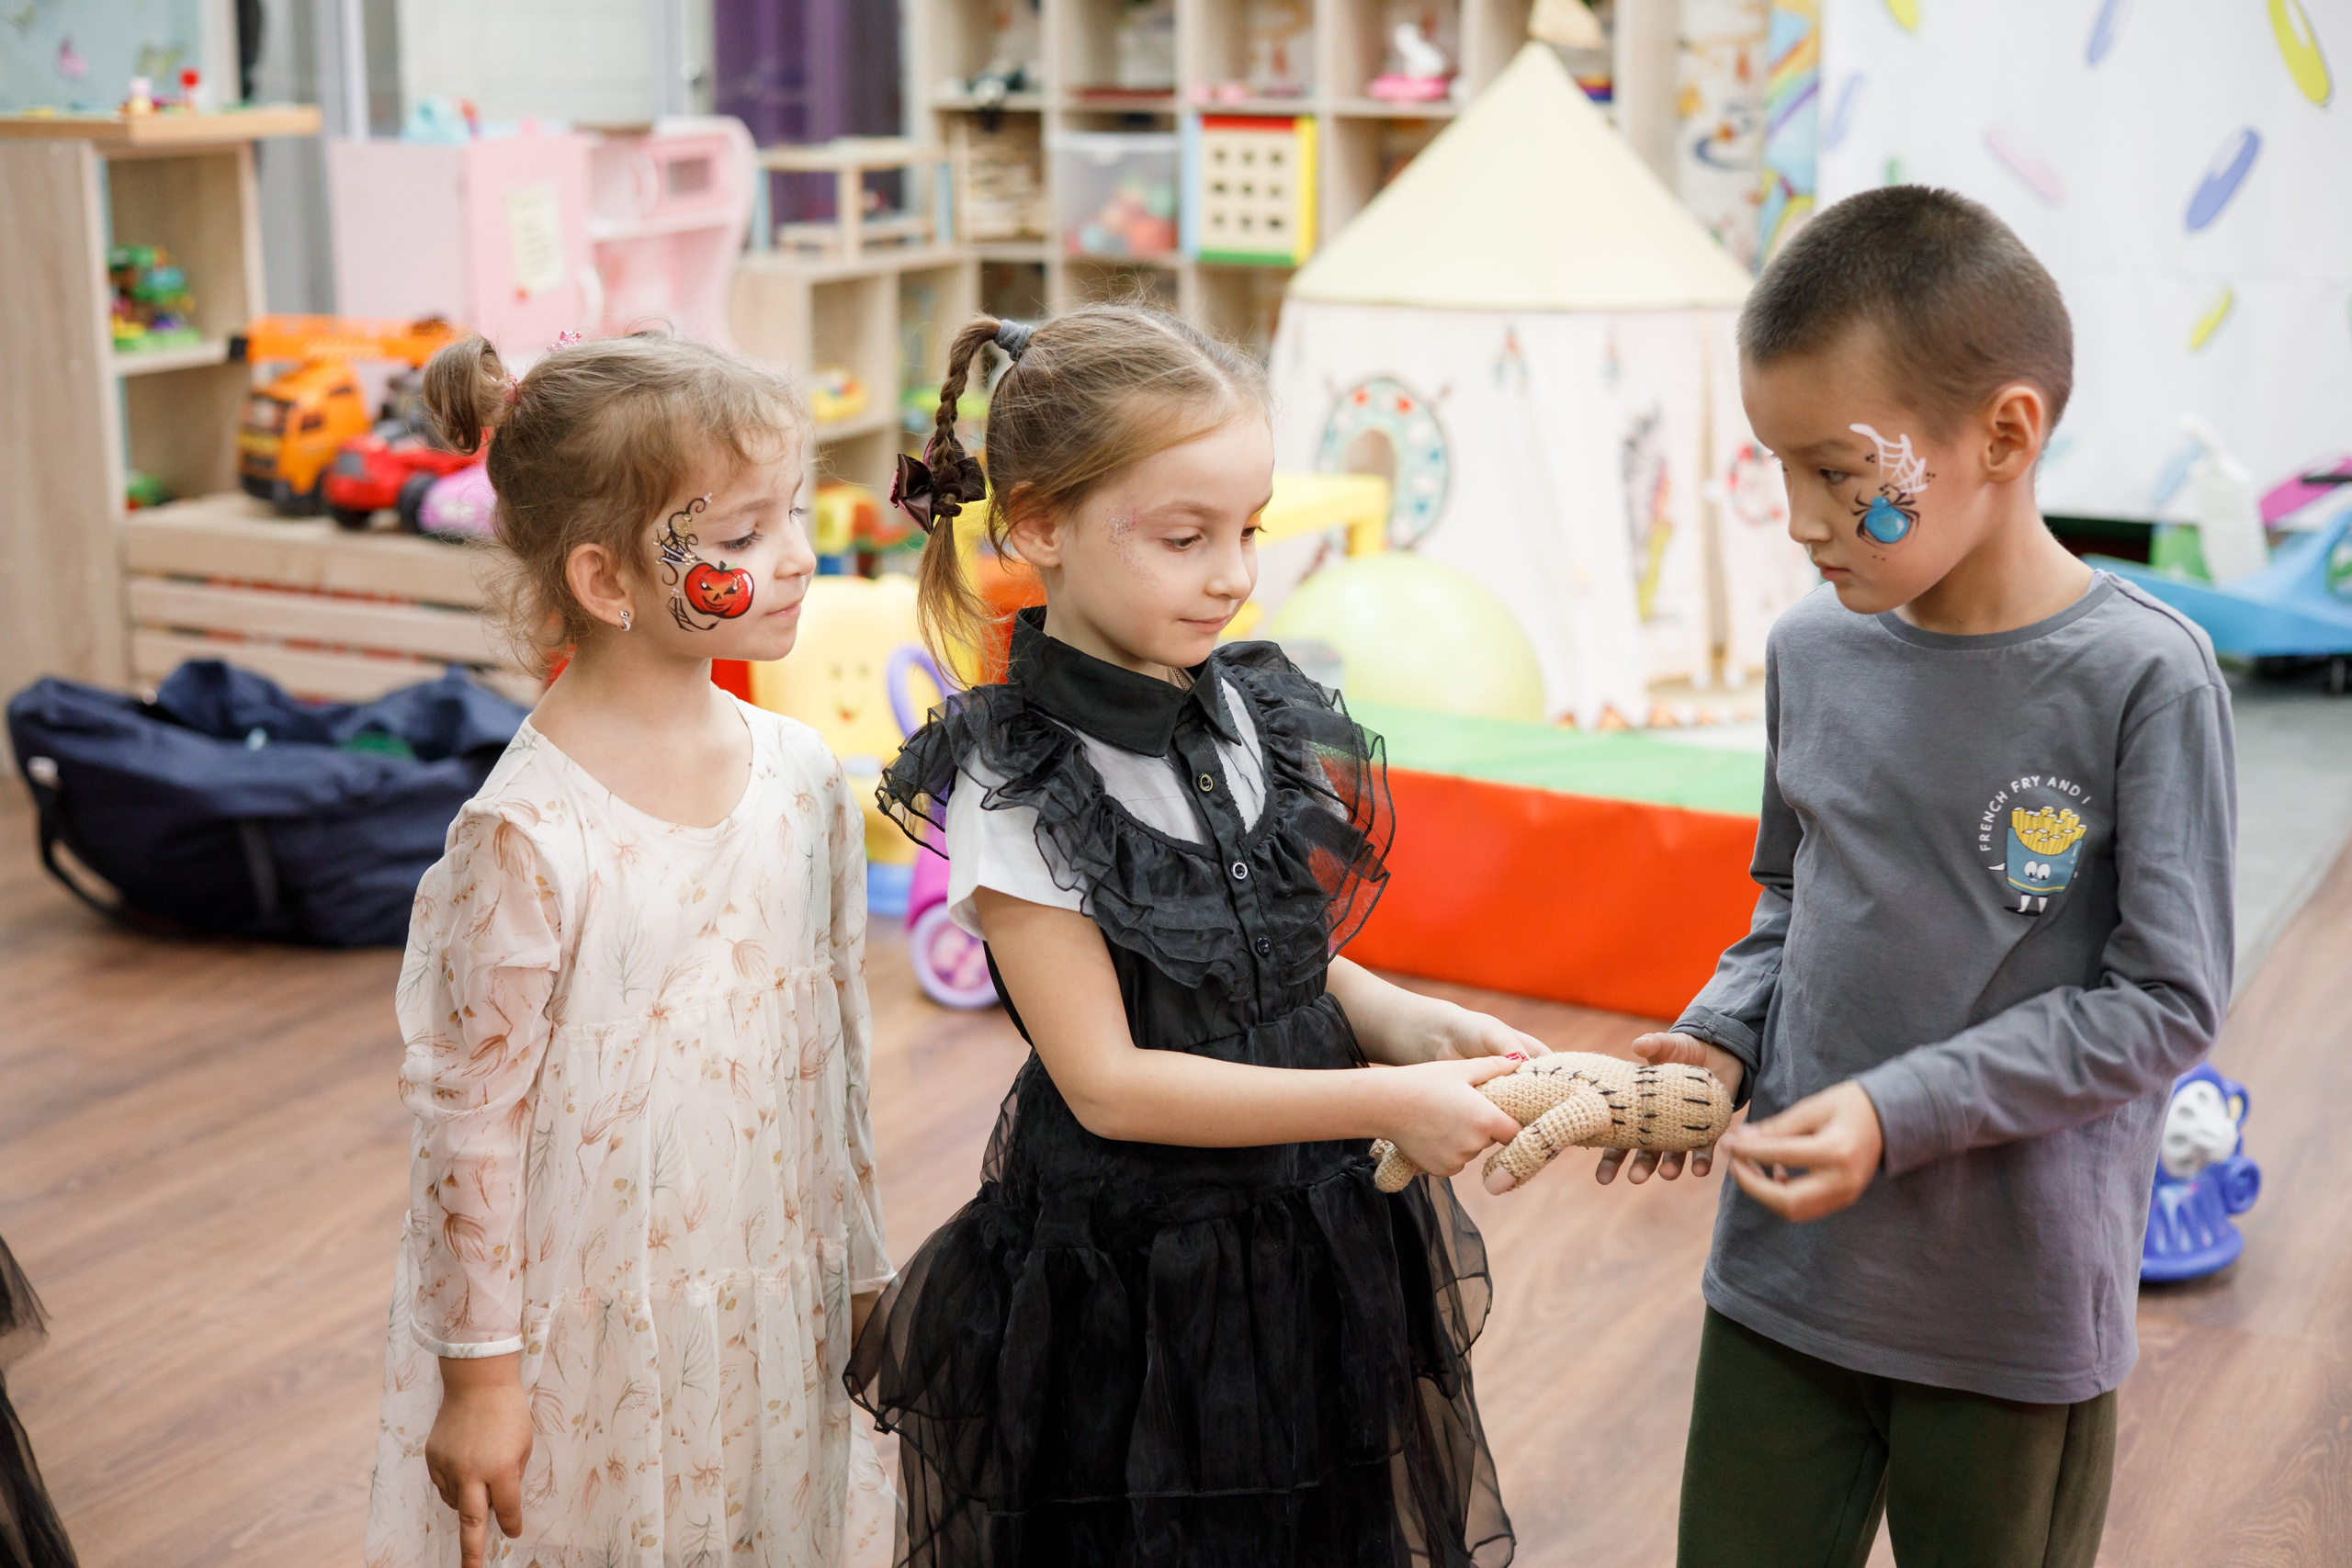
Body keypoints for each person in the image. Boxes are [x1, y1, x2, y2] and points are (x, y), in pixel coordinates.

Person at [1603, 186, 2235, 1567]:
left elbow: (2165, 1004)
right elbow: (1791, 897)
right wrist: (1723, 1035)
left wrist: (1899, 1113)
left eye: (1838, 472)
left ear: (2005, 435)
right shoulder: (1813, 650)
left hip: (2005, 1314)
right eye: (1779, 468)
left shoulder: (2147, 679)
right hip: (1782, 1283)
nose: (1800, 519)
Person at [849, 305, 1531, 1567]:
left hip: (1311, 1228)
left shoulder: (1250, 709)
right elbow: (1108, 1083)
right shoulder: (1018, 785)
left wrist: (1399, 1018)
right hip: (1147, 1271)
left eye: (1248, 531)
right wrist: (1386, 1098)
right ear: (1038, 525)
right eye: (1185, 538)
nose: (1233, 574)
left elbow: (1244, 948)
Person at [363, 333, 894, 1568]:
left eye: (795, 513)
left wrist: (861, 1267)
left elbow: (835, 1046)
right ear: (606, 580)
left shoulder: (805, 779)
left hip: (772, 1279)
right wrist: (480, 1380)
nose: (798, 556)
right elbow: (468, 1126)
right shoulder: (526, 834)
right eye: (744, 533)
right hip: (597, 1321)